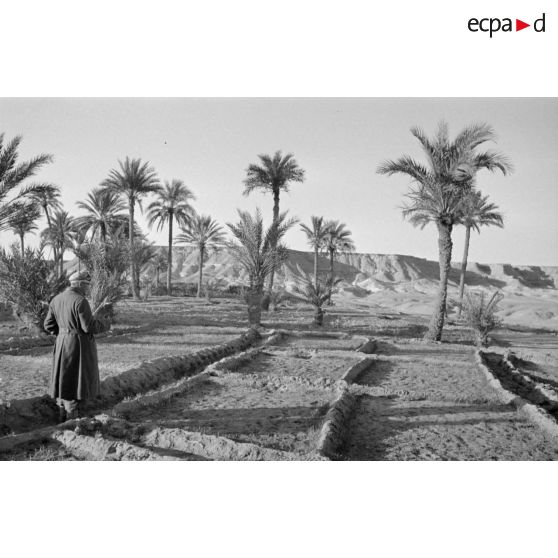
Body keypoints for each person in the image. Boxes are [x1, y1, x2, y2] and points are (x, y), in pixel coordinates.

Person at [44, 271, 111, 421]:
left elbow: (48, 325)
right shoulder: (80, 301)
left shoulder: (56, 299)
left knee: (63, 378)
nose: (88, 289)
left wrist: (62, 333)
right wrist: (105, 322)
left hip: (62, 343)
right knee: (74, 382)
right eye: (87, 285)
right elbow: (88, 327)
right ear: (79, 284)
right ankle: (71, 421)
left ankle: (62, 416)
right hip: (77, 345)